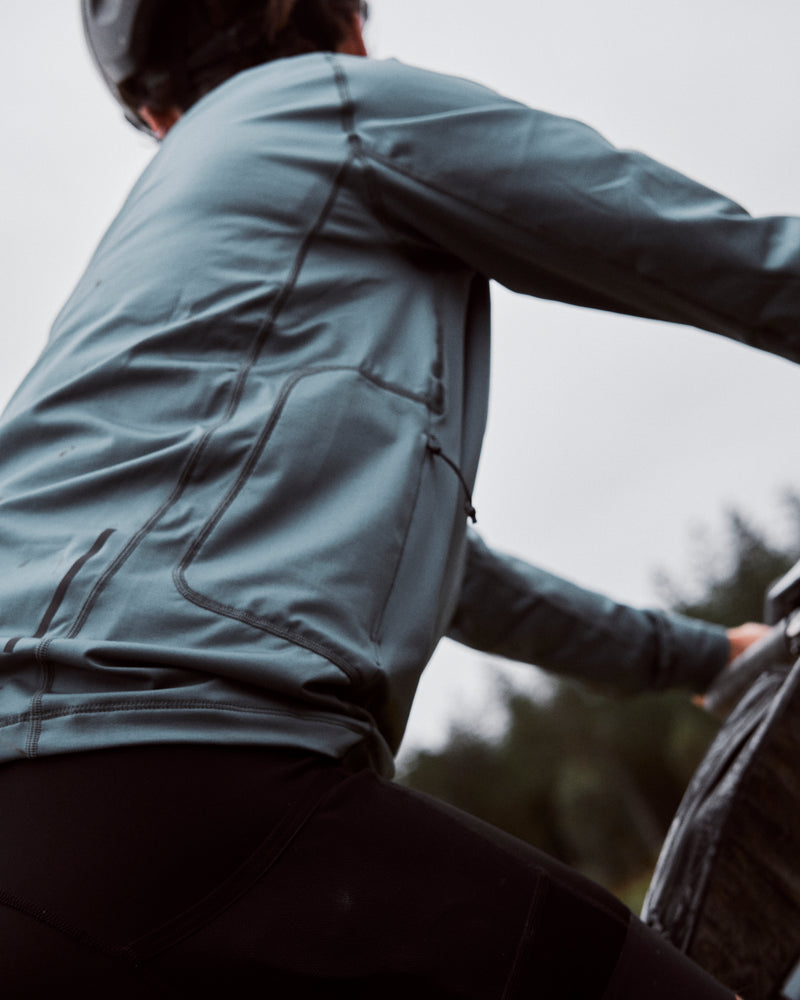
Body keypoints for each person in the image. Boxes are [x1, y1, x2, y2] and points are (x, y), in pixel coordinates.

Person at [0, 0, 787, 995]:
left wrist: (703, 655)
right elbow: (724, 255)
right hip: (180, 783)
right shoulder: (327, 107)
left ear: (154, 114)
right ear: (344, 19)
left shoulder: (152, 288)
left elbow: (463, 583)